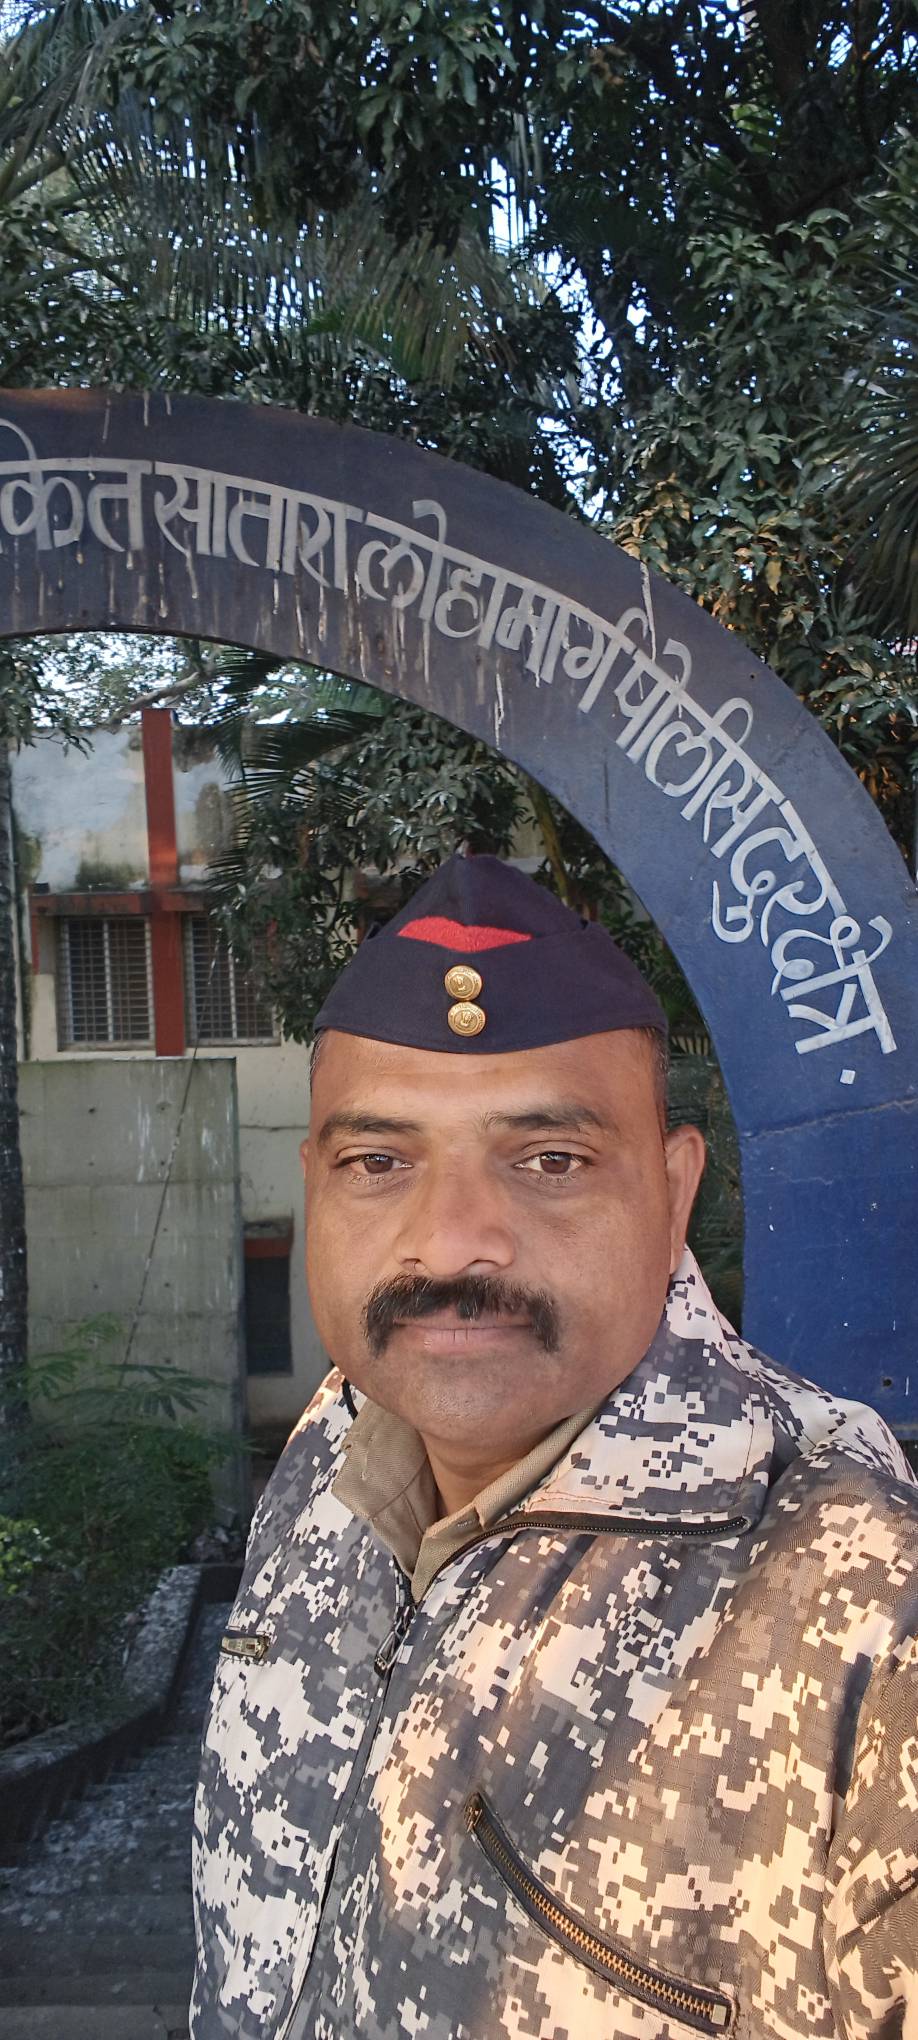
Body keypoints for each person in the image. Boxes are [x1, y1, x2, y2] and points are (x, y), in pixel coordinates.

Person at [190, 853, 918, 2040]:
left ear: (673, 1194)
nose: (452, 1242)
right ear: (315, 1185)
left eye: (550, 1161)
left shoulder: (862, 1610)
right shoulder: (330, 1462)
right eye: (380, 1162)